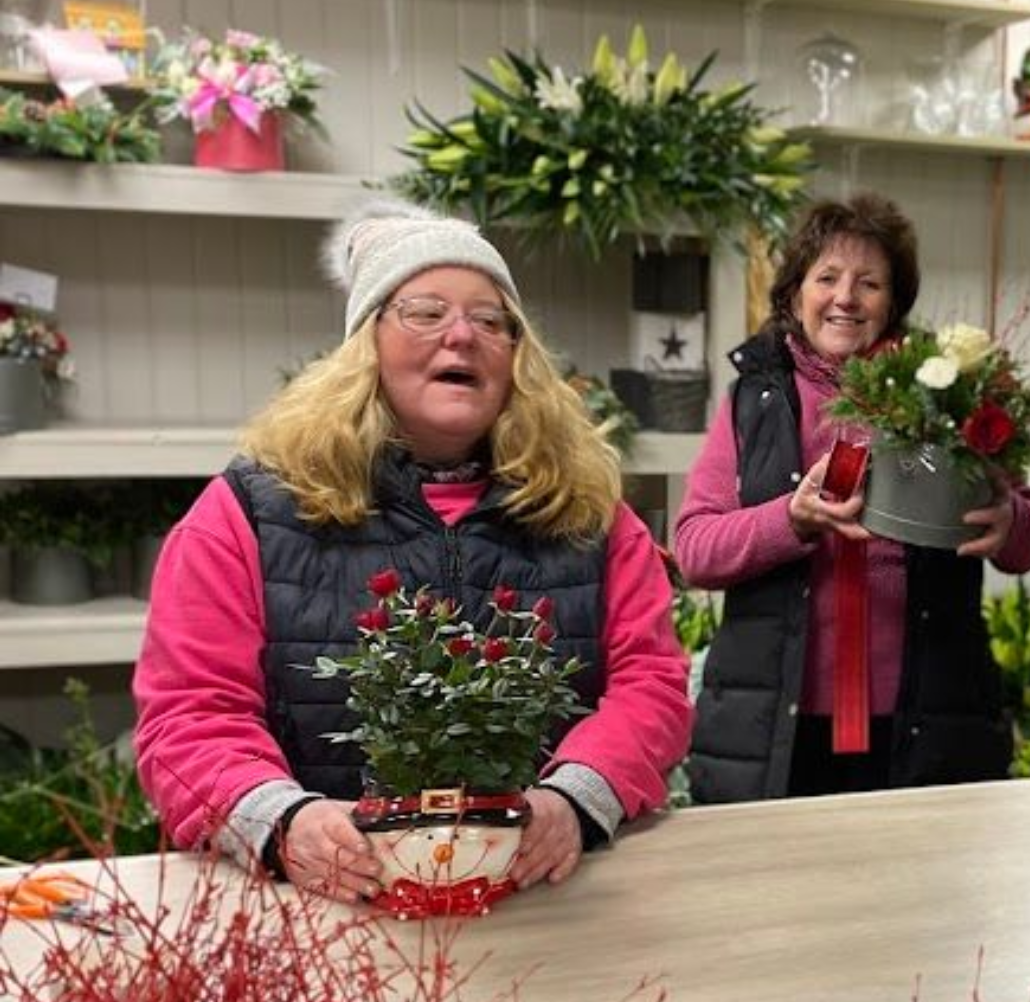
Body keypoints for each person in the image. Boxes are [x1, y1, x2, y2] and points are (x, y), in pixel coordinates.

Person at [133, 201, 694, 902]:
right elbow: (190, 715)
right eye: (425, 311)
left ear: (519, 358)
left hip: (546, 898)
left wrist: (577, 800)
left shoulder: (586, 513)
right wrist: (282, 822)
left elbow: (651, 687)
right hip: (328, 901)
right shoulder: (246, 512)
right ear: (365, 343)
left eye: (491, 321)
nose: (462, 335)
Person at [673, 193, 1030, 802]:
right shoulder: (755, 399)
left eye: (869, 282)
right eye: (827, 278)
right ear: (796, 293)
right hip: (775, 731)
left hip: (926, 723)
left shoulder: (947, 394)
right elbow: (695, 550)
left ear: (894, 302)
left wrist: (1009, 522)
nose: (846, 297)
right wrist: (789, 519)